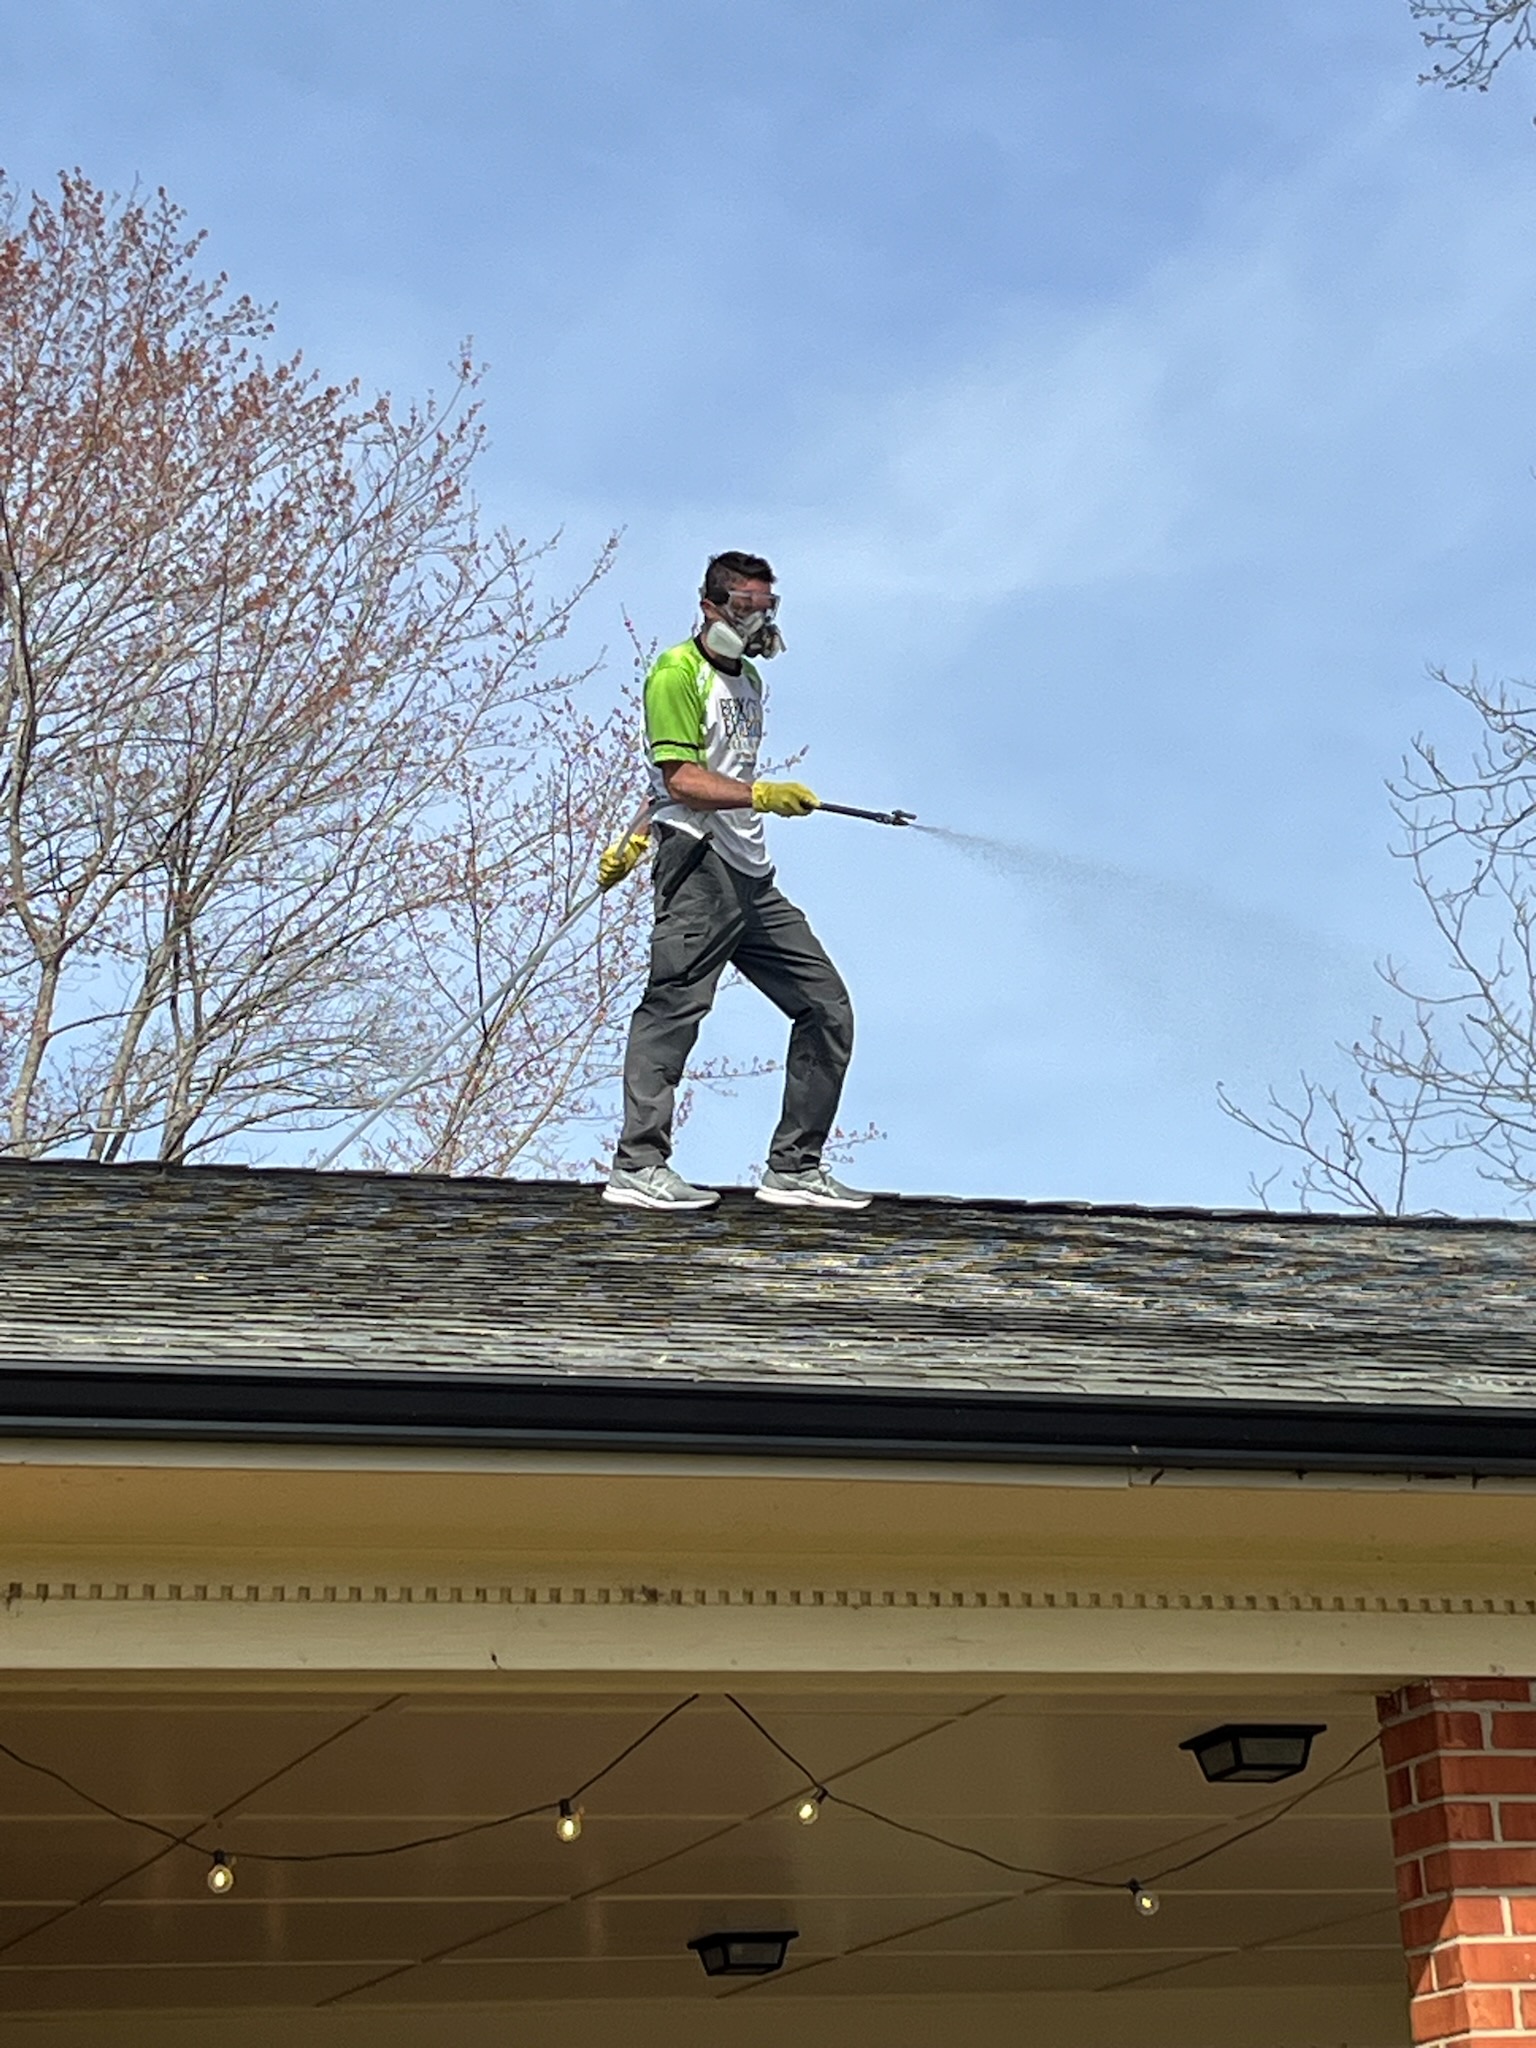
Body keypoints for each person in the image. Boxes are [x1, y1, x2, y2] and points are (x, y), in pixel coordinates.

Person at [597, 551, 870, 1212]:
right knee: (674, 1009)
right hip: (698, 866)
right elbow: (680, 778)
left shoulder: (748, 679)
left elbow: (704, 765)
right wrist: (757, 794)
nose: (757, 621)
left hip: (752, 876)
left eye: (766, 609)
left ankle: (794, 1169)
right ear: (712, 606)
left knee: (826, 1007)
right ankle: (638, 1166)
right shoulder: (675, 672)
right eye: (747, 608)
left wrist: (634, 832)